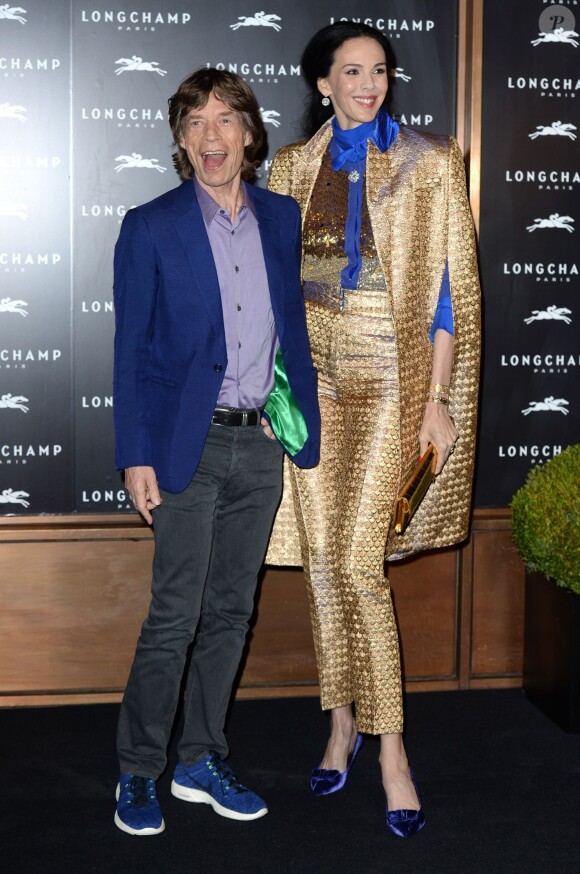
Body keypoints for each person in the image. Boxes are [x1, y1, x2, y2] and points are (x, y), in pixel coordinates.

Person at [267, 22, 480, 837]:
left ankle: (392, 749)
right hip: (315, 384)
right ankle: (340, 723)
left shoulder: (430, 162)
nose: (368, 83)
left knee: (361, 566)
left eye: (379, 70)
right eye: (350, 71)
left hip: (395, 384)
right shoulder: (289, 167)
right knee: (324, 565)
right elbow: (279, 292)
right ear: (322, 83)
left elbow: (449, 296)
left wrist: (439, 398)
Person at [112, 68, 320, 836]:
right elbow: (129, 348)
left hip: (258, 450)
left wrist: (288, 411)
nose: (211, 136)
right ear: (180, 139)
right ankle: (139, 771)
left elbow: (291, 329)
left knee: (232, 612)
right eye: (196, 122)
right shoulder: (151, 225)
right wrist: (136, 454)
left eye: (225, 120)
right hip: (183, 450)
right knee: (174, 616)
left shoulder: (279, 216)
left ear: (248, 135)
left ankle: (200, 757)